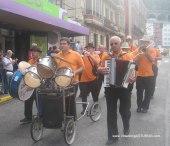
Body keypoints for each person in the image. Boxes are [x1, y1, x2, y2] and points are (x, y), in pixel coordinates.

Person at [99, 36, 134, 145]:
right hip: (110, 88)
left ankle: (126, 125)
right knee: (111, 113)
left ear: (120, 44)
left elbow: (133, 70)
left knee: (125, 111)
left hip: (124, 88)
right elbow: (99, 68)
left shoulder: (128, 55)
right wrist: (101, 70)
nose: (113, 45)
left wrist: (133, 77)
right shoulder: (106, 56)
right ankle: (112, 136)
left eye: (115, 43)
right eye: (112, 44)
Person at [53, 37, 85, 118]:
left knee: (70, 101)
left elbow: (82, 67)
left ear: (69, 45)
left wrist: (75, 72)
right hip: (60, 82)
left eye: (64, 44)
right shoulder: (57, 56)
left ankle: (72, 120)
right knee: (61, 101)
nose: (62, 45)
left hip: (73, 82)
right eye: (61, 44)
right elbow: (55, 69)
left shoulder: (76, 54)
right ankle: (63, 118)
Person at [20, 47, 42, 123]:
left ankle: (41, 117)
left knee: (39, 101)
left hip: (38, 84)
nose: (32, 53)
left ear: (39, 53)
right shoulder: (30, 61)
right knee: (28, 100)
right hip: (30, 83)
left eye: (34, 52)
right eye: (32, 52)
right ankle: (28, 117)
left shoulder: (41, 61)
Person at [135, 37, 157, 113]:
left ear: (148, 43)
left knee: (148, 93)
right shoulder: (139, 51)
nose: (144, 43)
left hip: (149, 75)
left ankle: (145, 107)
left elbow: (152, 60)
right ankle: (139, 106)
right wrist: (139, 53)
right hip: (140, 75)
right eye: (143, 42)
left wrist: (146, 52)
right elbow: (135, 62)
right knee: (139, 92)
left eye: (146, 42)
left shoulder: (152, 50)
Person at [79, 43, 101, 114]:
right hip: (82, 80)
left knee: (95, 94)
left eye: (90, 48)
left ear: (93, 49)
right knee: (83, 95)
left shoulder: (95, 55)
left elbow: (97, 63)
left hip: (93, 79)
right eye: (87, 48)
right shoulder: (82, 56)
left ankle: (96, 105)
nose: (88, 49)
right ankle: (84, 108)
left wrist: (90, 55)